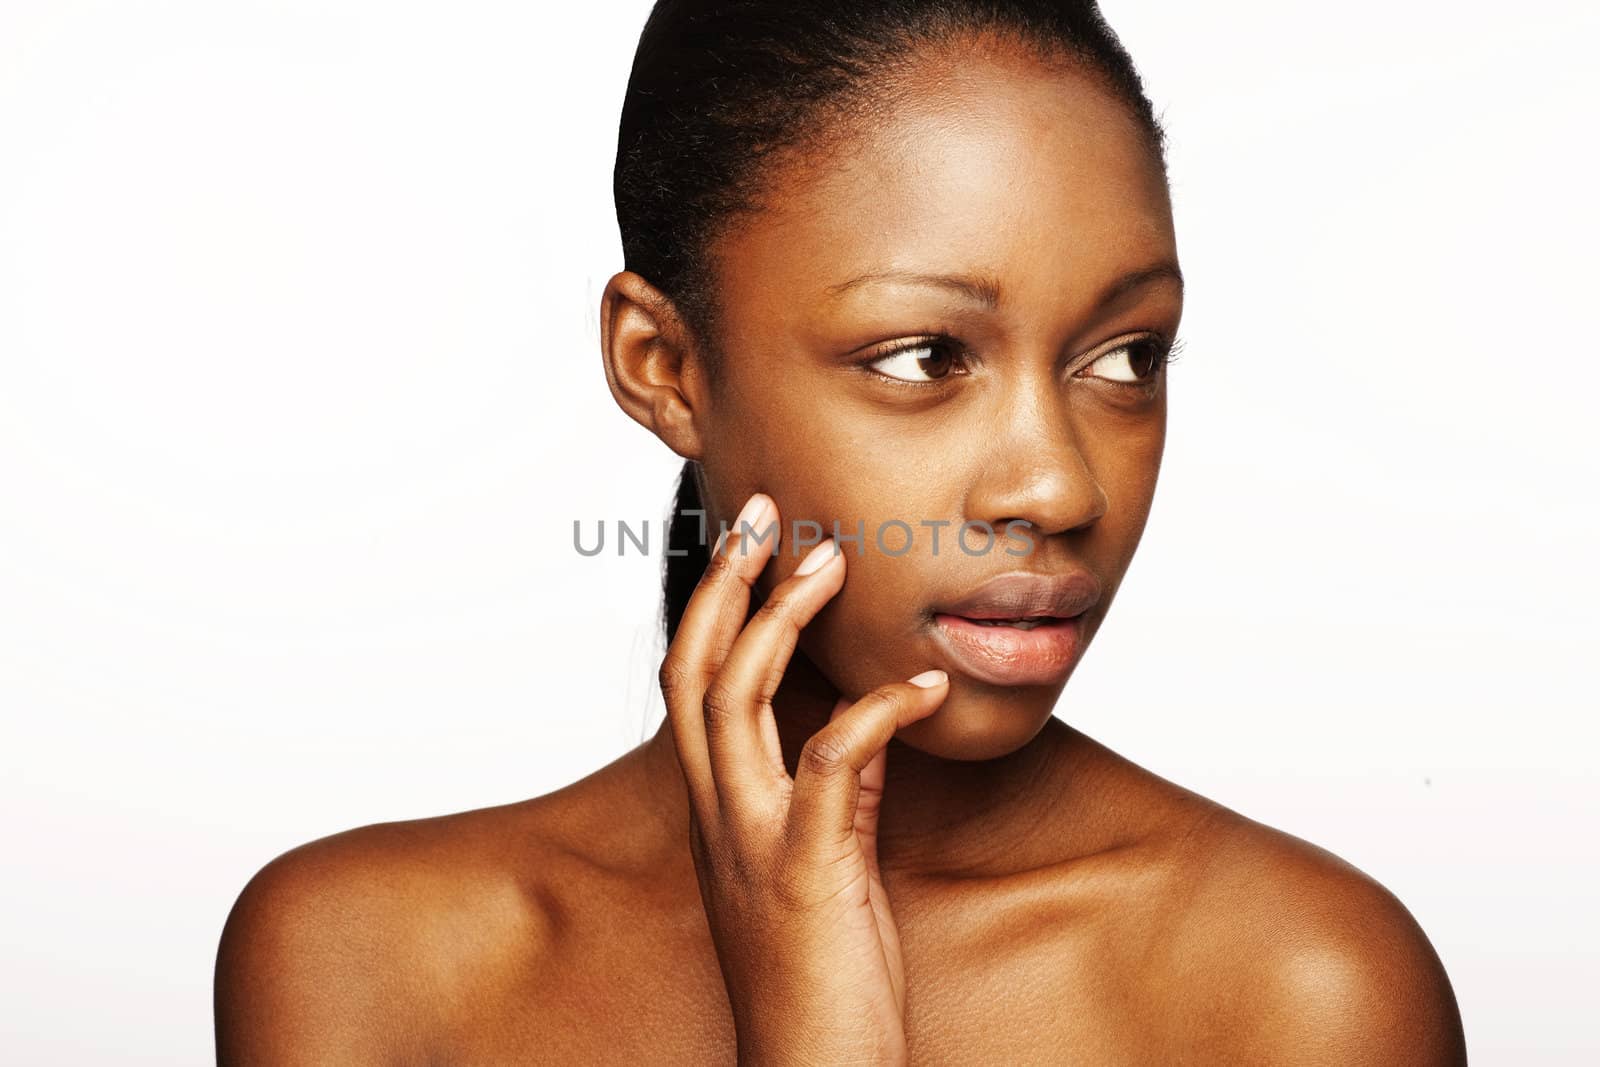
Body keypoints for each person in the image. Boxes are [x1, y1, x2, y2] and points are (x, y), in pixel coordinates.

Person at [214, 2, 1467, 1062]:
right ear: (664, 366)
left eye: (1124, 354)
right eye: (925, 355)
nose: (1057, 487)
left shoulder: (1297, 990)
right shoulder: (367, 968)